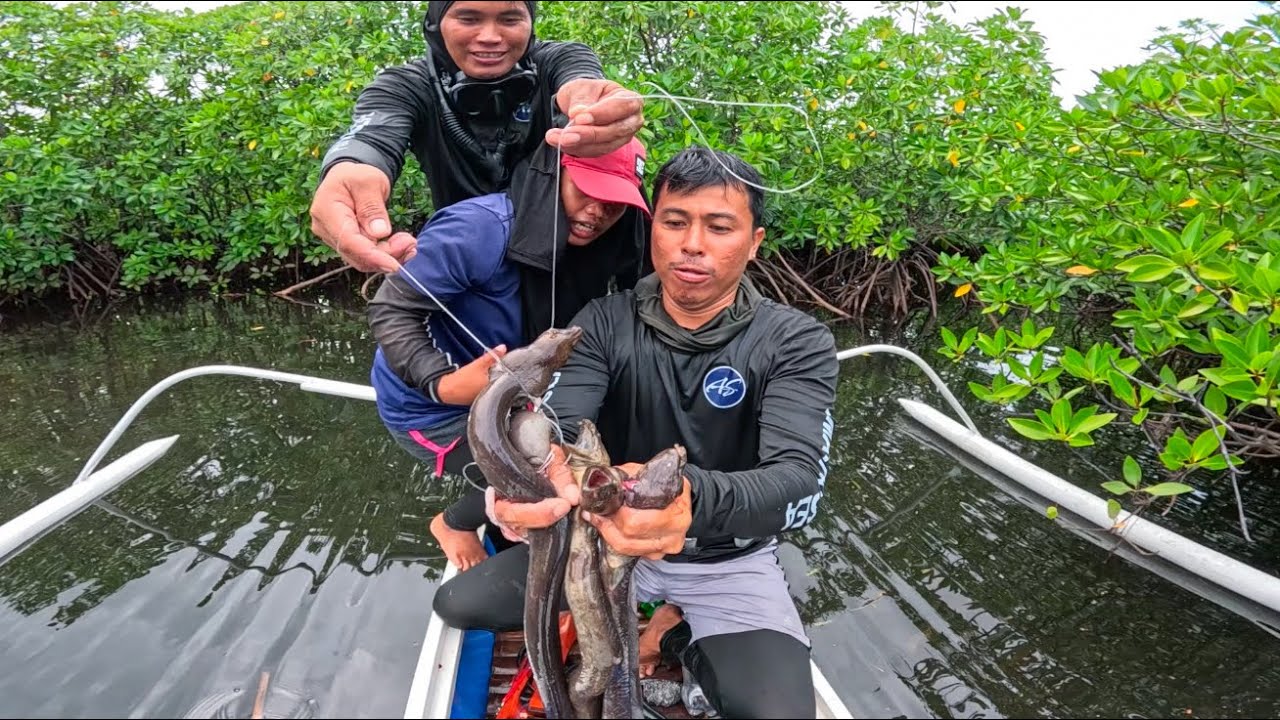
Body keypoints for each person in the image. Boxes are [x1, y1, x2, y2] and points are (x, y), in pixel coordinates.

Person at [432, 147, 839, 718]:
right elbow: (562, 429)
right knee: (458, 603)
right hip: (602, 534)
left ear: (754, 241)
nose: (692, 244)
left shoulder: (797, 342)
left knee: (776, 713)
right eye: (674, 222)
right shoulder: (602, 321)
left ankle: (673, 635)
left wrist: (688, 498)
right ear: (654, 230)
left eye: (719, 227)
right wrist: (533, 486)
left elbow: (799, 484)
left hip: (725, 555)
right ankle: (647, 625)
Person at [368, 137, 652, 571]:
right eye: (586, 191)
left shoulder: (607, 239)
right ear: (555, 176)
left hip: (517, 385)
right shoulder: (477, 229)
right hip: (431, 407)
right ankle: (451, 524)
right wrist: (443, 383)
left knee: (586, 453)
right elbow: (390, 308)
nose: (598, 211)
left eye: (614, 202)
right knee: (535, 485)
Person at [310, 0, 646, 275]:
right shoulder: (404, 87)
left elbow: (580, 75)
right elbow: (370, 138)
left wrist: (596, 103)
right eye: (468, 18)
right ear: (435, 23)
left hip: (564, 265)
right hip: (468, 264)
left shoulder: (557, 60)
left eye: (510, 18)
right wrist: (348, 171)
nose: (489, 36)